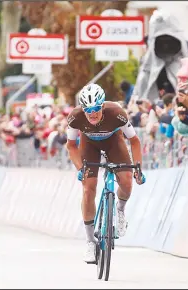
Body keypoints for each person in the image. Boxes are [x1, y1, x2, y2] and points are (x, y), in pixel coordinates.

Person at [65, 84, 145, 263]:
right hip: (89, 145)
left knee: (126, 182)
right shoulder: (75, 117)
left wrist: (138, 167)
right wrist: (80, 168)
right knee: (88, 189)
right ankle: (90, 242)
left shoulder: (116, 112)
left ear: (102, 106)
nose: (92, 113)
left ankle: (120, 210)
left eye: (96, 109)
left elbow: (134, 140)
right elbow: (71, 146)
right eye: (88, 110)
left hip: (113, 142)